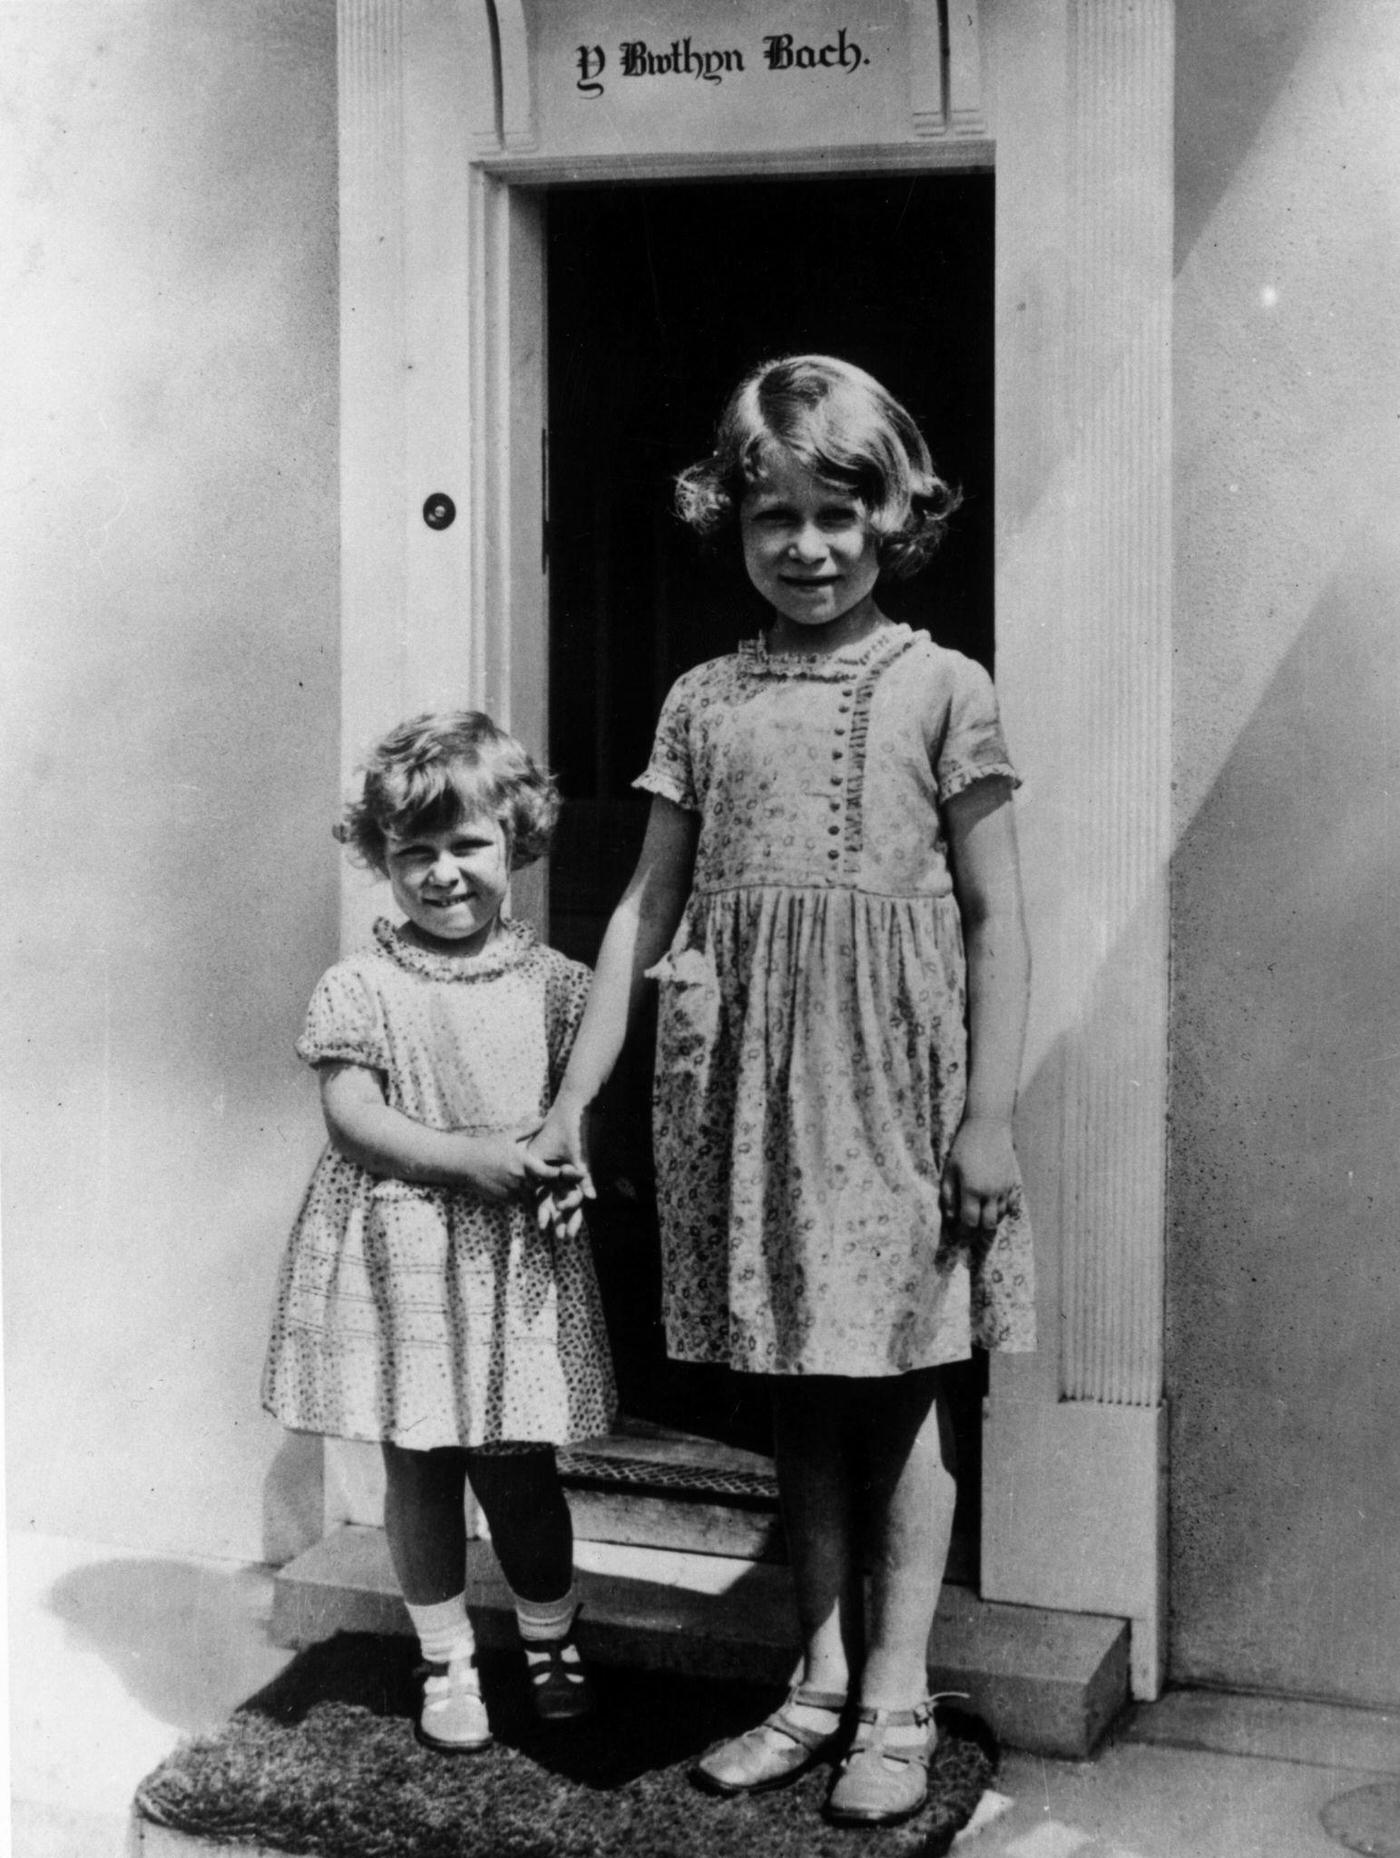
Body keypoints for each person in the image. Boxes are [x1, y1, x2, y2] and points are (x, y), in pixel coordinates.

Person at [532, 355, 1034, 1828]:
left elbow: (1000, 913)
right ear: (731, 522)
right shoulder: (701, 697)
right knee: (800, 1397)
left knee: (909, 1378)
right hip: (748, 1080)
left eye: (839, 512)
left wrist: (988, 1112)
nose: (807, 545)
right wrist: (575, 1101)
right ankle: (811, 1684)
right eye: (775, 517)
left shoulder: (945, 684)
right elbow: (641, 904)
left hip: (896, 1081)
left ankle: (897, 1694)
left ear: (897, 516)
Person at [263, 711, 616, 1754]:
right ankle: (446, 1656)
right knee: (417, 1464)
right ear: (380, 859)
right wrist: (472, 1160)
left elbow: (571, 1118)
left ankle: (550, 1635)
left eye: (466, 845)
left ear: (516, 841)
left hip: (511, 1269)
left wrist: (562, 1175)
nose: (441, 874)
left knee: (517, 1469)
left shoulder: (556, 986)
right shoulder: (361, 985)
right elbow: (353, 1116)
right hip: (401, 1257)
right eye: (412, 852)